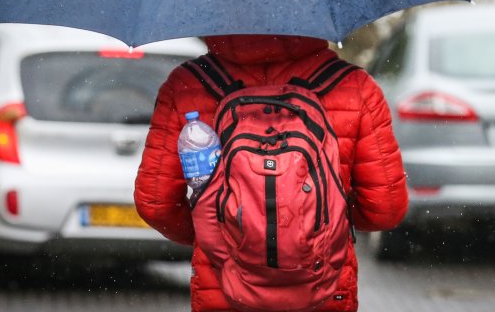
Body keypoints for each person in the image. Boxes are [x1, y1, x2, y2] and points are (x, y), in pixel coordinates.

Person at [134, 34, 409, 312]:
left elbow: (156, 205)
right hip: (323, 288)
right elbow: (385, 208)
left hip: (224, 290)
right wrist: (326, 223)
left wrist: (227, 232)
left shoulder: (186, 85)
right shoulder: (354, 86)